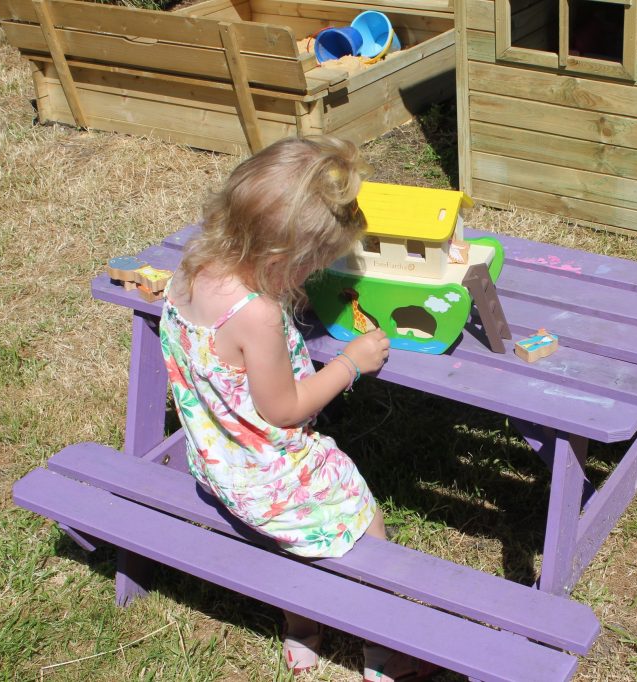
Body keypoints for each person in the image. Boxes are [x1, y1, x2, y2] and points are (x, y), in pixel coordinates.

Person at [159, 136, 435, 680]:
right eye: (312, 268)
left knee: (289, 540)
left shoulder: (191, 270)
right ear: (282, 260)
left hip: (218, 465)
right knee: (362, 518)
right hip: (272, 481)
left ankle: (303, 628)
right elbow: (284, 409)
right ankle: (383, 649)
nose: (311, 279)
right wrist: (352, 362)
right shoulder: (256, 313)